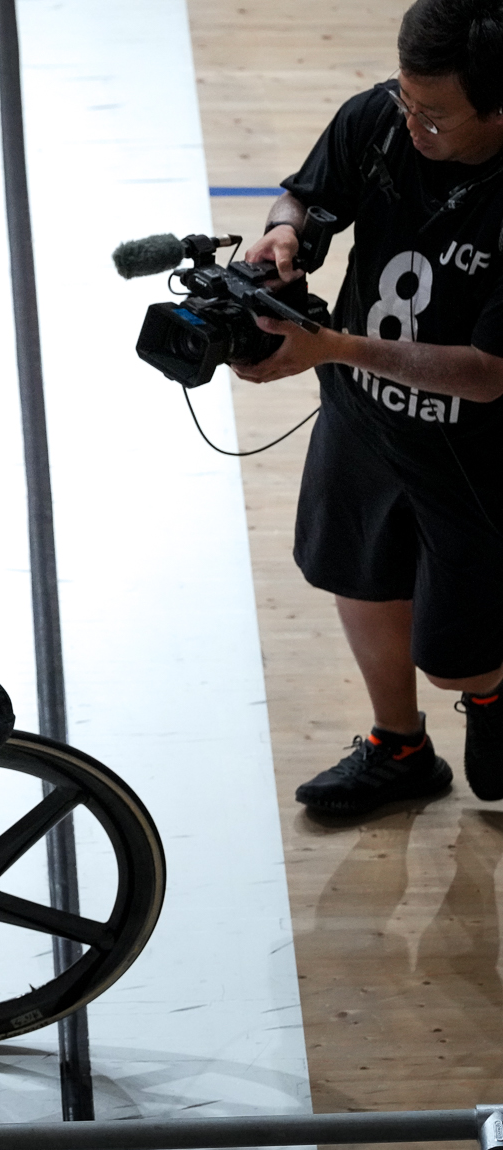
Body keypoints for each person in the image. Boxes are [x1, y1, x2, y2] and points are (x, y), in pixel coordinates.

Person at [230, 0, 503, 817]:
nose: (413, 123)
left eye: (438, 117)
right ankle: (399, 745)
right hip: (365, 420)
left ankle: (488, 697)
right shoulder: (383, 118)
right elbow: (303, 198)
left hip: (476, 454)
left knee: (455, 657)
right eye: (407, 100)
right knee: (356, 571)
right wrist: (281, 234)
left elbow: (490, 374)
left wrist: (336, 348)